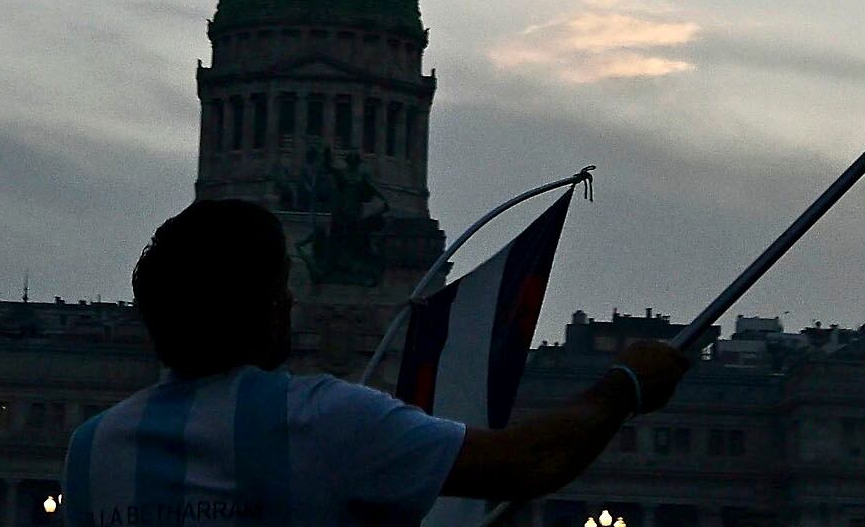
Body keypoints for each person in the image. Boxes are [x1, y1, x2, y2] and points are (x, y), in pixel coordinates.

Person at [66, 200, 691, 527]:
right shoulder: (319, 421)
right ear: (261, 307)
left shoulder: (92, 452)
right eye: (280, 286)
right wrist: (627, 384)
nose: (290, 300)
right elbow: (531, 461)